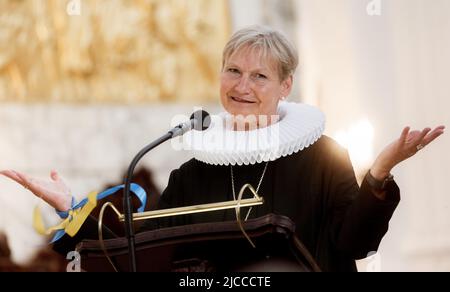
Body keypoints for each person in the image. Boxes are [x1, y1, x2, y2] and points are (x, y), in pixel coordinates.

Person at [0, 25, 445, 272]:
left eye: (260, 76)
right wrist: (71, 208)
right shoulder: (192, 171)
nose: (242, 86)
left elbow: (354, 242)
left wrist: (379, 174)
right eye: (233, 70)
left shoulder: (322, 156)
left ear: (285, 85)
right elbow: (143, 248)